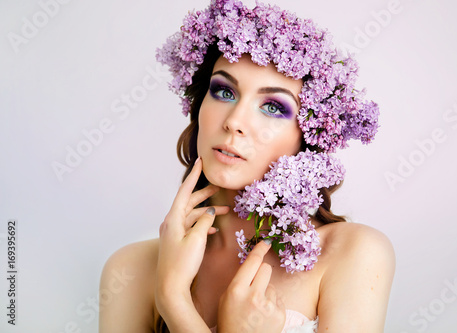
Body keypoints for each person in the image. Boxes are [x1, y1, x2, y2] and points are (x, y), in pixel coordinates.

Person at [99, 1, 395, 332]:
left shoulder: (353, 253)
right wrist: (169, 290)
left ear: (307, 139)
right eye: (224, 91)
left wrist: (175, 303)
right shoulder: (131, 270)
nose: (235, 121)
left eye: (272, 106)